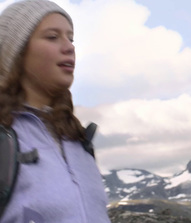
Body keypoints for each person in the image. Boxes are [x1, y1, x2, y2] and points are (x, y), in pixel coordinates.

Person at [0, 0, 111, 222]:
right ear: (16, 52)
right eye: (52, 37)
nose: (69, 47)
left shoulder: (78, 139)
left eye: (71, 38)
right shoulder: (4, 138)